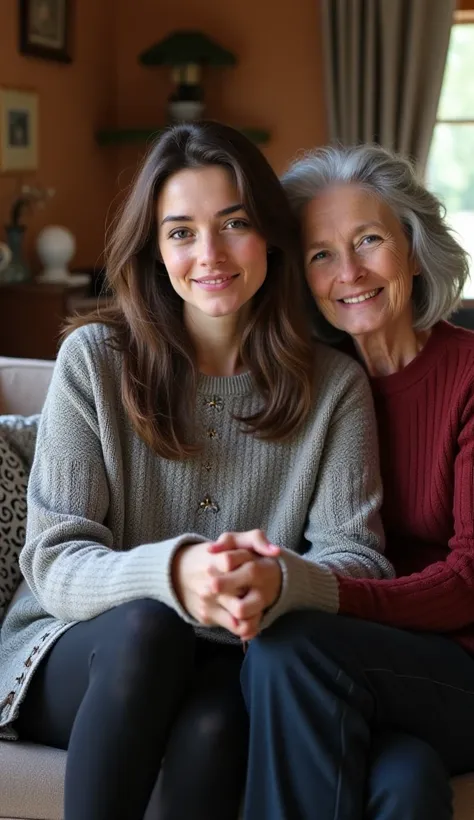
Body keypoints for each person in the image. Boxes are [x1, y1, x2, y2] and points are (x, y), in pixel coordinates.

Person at [0, 123, 392, 820]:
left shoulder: (334, 386)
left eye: (233, 223)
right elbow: (54, 559)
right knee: (151, 628)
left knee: (219, 720)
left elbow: (358, 557)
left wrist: (278, 579)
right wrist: (176, 573)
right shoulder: (95, 360)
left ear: (270, 234)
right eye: (180, 231)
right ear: (154, 247)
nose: (208, 254)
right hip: (78, 651)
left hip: (224, 661)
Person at [231, 142, 474, 820]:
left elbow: (469, 579)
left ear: (415, 249)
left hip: (456, 665)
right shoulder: (308, 385)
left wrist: (321, 593)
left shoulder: (468, 375)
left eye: (369, 241)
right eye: (321, 254)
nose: (349, 273)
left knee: (289, 646)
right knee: (406, 786)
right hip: (356, 667)